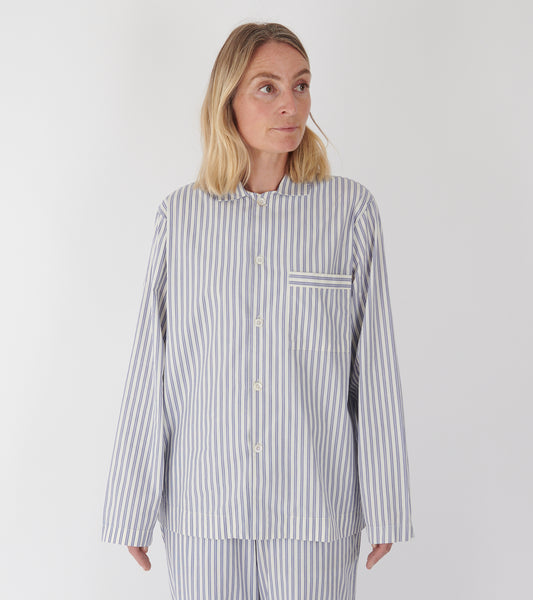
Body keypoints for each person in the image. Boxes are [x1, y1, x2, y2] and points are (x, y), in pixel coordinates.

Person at [101, 21, 415, 599]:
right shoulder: (181, 218)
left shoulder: (349, 212)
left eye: (301, 85)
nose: (290, 104)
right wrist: (131, 507)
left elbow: (373, 369)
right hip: (205, 512)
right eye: (267, 87)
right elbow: (152, 369)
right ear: (229, 100)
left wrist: (387, 504)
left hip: (313, 510)